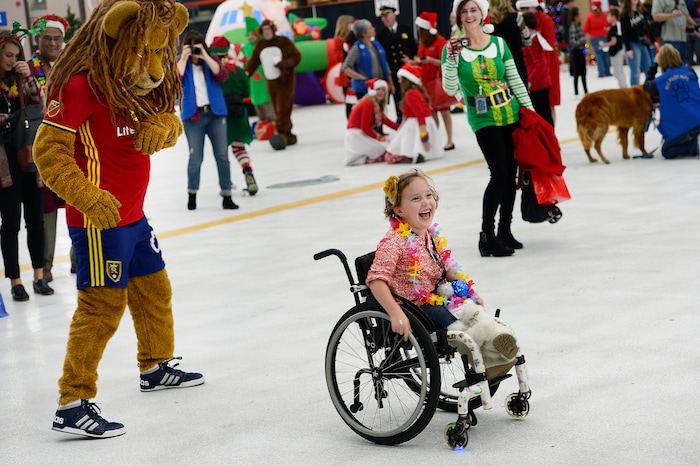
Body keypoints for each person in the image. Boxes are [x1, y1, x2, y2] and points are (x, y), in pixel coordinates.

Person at [32, 0, 203, 438]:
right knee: (101, 307)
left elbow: (170, 117)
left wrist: (166, 125)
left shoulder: (132, 86)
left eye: (156, 52)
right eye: (141, 52)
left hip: (134, 216)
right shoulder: (79, 86)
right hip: (98, 222)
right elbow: (47, 153)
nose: (152, 67)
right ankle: (72, 401)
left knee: (153, 289)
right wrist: (87, 197)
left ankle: (156, 366)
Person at [366, 170, 519, 374]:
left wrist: (472, 293)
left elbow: (447, 268)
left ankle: (498, 343)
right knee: (456, 325)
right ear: (399, 210)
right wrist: (396, 314)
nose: (426, 202)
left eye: (429, 195)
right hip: (416, 308)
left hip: (439, 296)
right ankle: (488, 362)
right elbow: (376, 280)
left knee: (473, 311)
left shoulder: (429, 235)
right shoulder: (393, 242)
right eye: (416, 198)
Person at [442, 0, 534, 257]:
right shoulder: (452, 48)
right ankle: (487, 236)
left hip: (511, 112)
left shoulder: (499, 43)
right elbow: (449, 88)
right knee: (499, 173)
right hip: (482, 117)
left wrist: (532, 114)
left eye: (473, 10)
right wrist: (450, 60)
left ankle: (505, 230)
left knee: (511, 174)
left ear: (483, 13)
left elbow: (514, 79)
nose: (469, 15)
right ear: (458, 16)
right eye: (464, 11)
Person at [0, 30, 52, 302]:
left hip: (28, 154)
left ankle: (39, 276)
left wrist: (27, 75)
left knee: (36, 218)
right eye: (8, 55)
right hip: (4, 161)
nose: (12, 60)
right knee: (10, 222)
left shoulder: (23, 77)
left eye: (16, 55)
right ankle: (15, 280)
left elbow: (40, 103)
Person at [28, 14, 72, 282]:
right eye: (48, 38)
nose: (53, 43)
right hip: (42, 144)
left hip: (72, 142)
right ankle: (45, 266)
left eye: (57, 38)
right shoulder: (29, 69)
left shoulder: (71, 65)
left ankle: (82, 259)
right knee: (47, 209)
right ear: (38, 39)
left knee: (77, 200)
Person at [178, 30, 236, 211]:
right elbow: (175, 79)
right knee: (195, 158)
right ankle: (192, 194)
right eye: (192, 46)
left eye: (198, 45)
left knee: (222, 156)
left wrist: (205, 55)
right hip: (193, 118)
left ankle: (227, 194)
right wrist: (184, 57)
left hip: (215, 115)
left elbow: (222, 75)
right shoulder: (182, 64)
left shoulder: (210, 62)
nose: (195, 49)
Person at [209, 36, 258, 196]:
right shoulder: (237, 69)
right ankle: (247, 170)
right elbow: (246, 92)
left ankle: (226, 181)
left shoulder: (211, 71)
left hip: (220, 113)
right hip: (239, 112)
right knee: (239, 147)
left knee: (221, 152)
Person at [244, 19, 301, 150]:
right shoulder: (260, 45)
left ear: (273, 30)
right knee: (277, 108)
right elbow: (253, 62)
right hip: (271, 82)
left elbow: (297, 57)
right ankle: (288, 133)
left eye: (268, 30)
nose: (267, 32)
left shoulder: (284, 42)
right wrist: (246, 74)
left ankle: (280, 132)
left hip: (285, 80)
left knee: (283, 107)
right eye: (264, 30)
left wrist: (285, 64)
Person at [643, 43, 700, 157]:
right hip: (698, 118)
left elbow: (646, 86)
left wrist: (654, 65)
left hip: (684, 126)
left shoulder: (660, 82)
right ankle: (694, 141)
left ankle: (694, 146)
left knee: (667, 151)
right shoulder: (690, 72)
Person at [413, 11, 456, 151]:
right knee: (431, 112)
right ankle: (436, 139)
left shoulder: (440, 41)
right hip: (425, 83)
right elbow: (421, 62)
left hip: (438, 82)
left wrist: (431, 60)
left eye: (420, 28)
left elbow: (446, 61)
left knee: (444, 111)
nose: (418, 29)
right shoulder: (422, 43)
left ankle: (450, 140)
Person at [385, 64, 444, 163]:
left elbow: (420, 115)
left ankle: (415, 152)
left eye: (400, 79)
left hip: (416, 124)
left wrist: (424, 138)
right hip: (422, 122)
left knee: (390, 155)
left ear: (406, 80)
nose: (399, 81)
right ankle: (416, 152)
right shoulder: (416, 91)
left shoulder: (410, 94)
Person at [515, 0, 560, 124]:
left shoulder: (545, 20)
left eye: (526, 9)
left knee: (549, 102)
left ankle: (550, 133)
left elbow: (550, 45)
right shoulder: (525, 22)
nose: (523, 12)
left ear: (534, 8)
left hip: (548, 63)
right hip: (537, 65)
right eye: (522, 10)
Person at [375, 5, 418, 124]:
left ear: (394, 15)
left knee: (411, 93)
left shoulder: (406, 29)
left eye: (386, 16)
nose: (384, 19)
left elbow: (415, 48)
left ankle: (414, 114)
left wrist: (412, 60)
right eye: (382, 17)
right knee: (397, 95)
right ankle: (401, 117)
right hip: (393, 70)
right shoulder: (381, 34)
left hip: (407, 68)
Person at [344, 78, 399, 165]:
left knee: (388, 142)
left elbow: (388, 122)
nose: (381, 92)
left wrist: (402, 129)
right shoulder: (368, 103)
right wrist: (379, 137)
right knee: (387, 147)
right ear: (372, 91)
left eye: (383, 90)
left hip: (361, 134)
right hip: (357, 136)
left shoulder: (375, 105)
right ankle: (364, 157)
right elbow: (364, 127)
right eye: (378, 89)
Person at [342, 19, 393, 107]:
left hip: (380, 86)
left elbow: (385, 64)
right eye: (370, 28)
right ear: (364, 33)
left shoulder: (376, 44)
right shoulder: (357, 48)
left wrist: (391, 83)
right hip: (365, 88)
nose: (374, 29)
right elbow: (345, 68)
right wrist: (360, 77)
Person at [241, 16, 276, 129]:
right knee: (256, 101)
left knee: (267, 99)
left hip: (265, 77)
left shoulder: (264, 44)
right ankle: (263, 122)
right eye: (249, 35)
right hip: (253, 80)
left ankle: (274, 123)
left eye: (253, 34)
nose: (251, 37)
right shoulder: (245, 48)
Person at [521, 12, 553, 126]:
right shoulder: (536, 37)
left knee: (543, 116)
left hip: (538, 85)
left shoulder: (533, 40)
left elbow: (540, 64)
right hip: (540, 83)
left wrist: (530, 81)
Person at [491, 0, 529, 88]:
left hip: (496, 65)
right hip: (516, 63)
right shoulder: (517, 18)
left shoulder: (487, 22)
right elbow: (527, 41)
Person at [622, 0, 653, 85]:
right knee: (635, 71)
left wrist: (652, 40)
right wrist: (628, 48)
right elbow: (624, 33)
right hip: (632, 44)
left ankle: (650, 90)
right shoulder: (625, 14)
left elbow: (646, 28)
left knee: (649, 69)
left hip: (642, 43)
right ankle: (634, 93)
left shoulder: (641, 11)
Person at [332, 14, 355, 119]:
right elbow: (337, 57)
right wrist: (346, 50)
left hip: (356, 71)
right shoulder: (338, 40)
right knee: (349, 101)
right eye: (351, 23)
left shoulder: (355, 37)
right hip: (346, 74)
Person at [583, 0, 612, 78]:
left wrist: (587, 34)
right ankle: (607, 71)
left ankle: (601, 72)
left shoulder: (590, 16)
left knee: (599, 55)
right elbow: (610, 25)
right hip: (605, 37)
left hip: (595, 38)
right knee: (606, 55)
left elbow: (585, 28)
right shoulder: (605, 15)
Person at [603, 7, 629, 88]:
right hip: (619, 50)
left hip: (616, 51)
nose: (607, 17)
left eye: (609, 15)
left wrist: (605, 45)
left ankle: (623, 87)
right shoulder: (618, 26)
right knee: (619, 70)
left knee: (617, 71)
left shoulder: (614, 28)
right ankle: (623, 85)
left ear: (614, 16)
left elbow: (614, 41)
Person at [568, 7, 590, 96]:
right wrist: (583, 39)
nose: (581, 16)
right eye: (580, 14)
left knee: (583, 71)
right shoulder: (573, 27)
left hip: (581, 51)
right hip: (576, 52)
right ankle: (576, 91)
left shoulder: (579, 26)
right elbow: (573, 42)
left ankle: (585, 89)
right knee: (577, 71)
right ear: (575, 16)